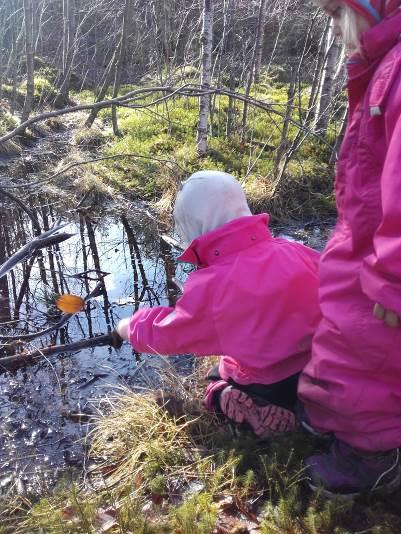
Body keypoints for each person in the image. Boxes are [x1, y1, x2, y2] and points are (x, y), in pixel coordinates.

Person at [117, 170, 321, 438]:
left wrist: (129, 327)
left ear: (192, 229)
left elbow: (170, 332)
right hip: (317, 367)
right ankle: (311, 411)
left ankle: (234, 402)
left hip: (263, 382)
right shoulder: (294, 251)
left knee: (215, 377)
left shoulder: (210, 285)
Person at [298, 0, 401, 496]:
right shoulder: (382, 68)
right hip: (362, 242)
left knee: (368, 350)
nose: (335, 28)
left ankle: (374, 454)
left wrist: (393, 279)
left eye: (338, 14)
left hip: (387, 260)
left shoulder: (397, 70)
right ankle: (334, 415)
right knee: (337, 324)